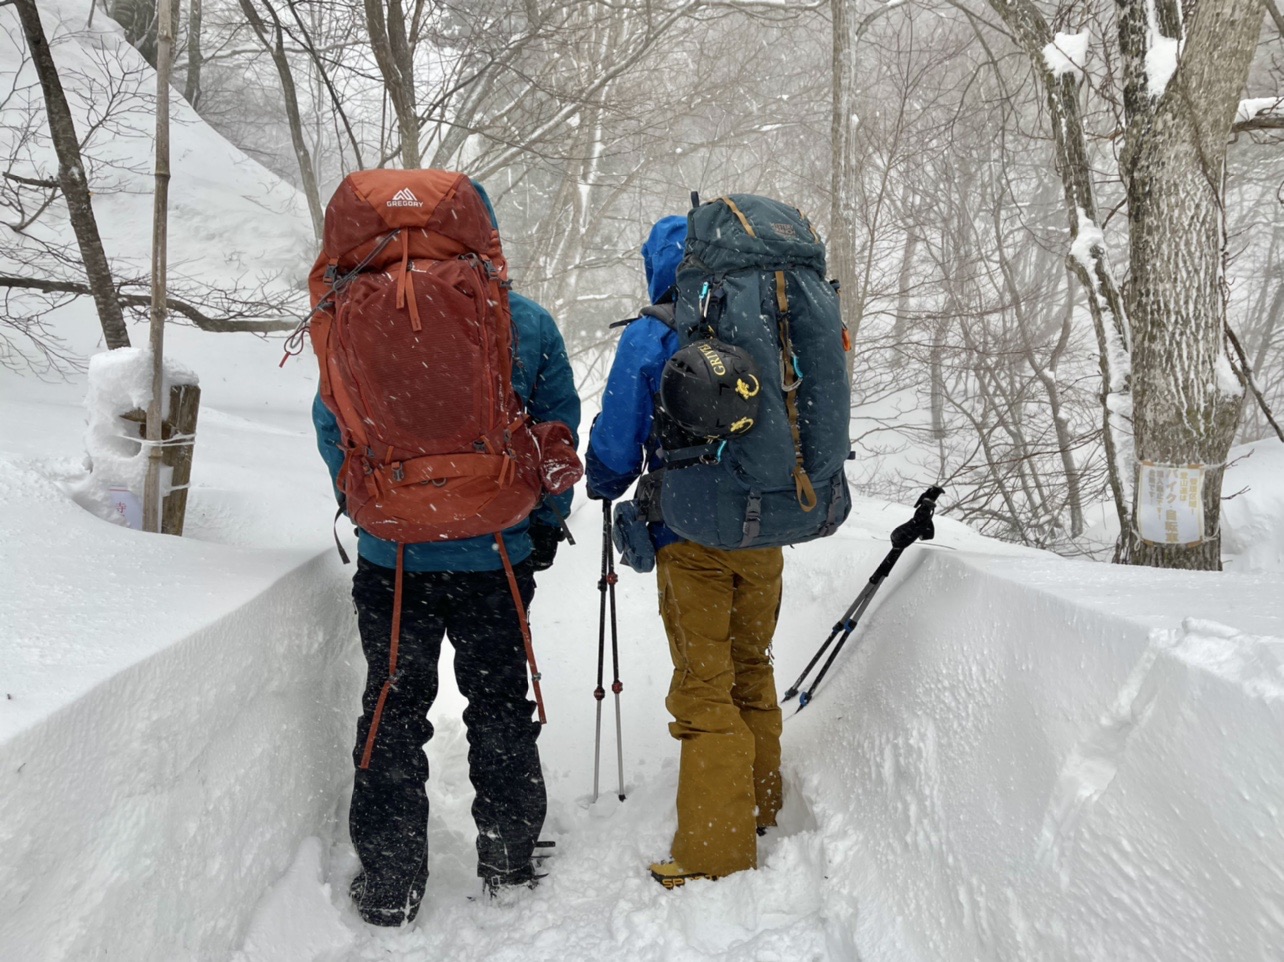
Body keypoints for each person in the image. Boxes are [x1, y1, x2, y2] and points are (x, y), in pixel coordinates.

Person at [313, 180, 580, 926]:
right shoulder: (521, 321)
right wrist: (545, 523)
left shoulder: (350, 317)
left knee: (393, 708)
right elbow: (557, 431)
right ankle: (508, 851)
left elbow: (333, 427)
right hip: (495, 550)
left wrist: (372, 508)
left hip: (394, 557)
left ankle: (392, 879)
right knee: (497, 699)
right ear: (483, 236)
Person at [585, 215, 784, 887]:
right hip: (765, 528)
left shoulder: (654, 332)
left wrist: (606, 481)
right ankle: (759, 805)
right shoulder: (767, 320)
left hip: (690, 532)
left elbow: (618, 438)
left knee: (704, 685)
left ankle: (713, 850)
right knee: (751, 664)